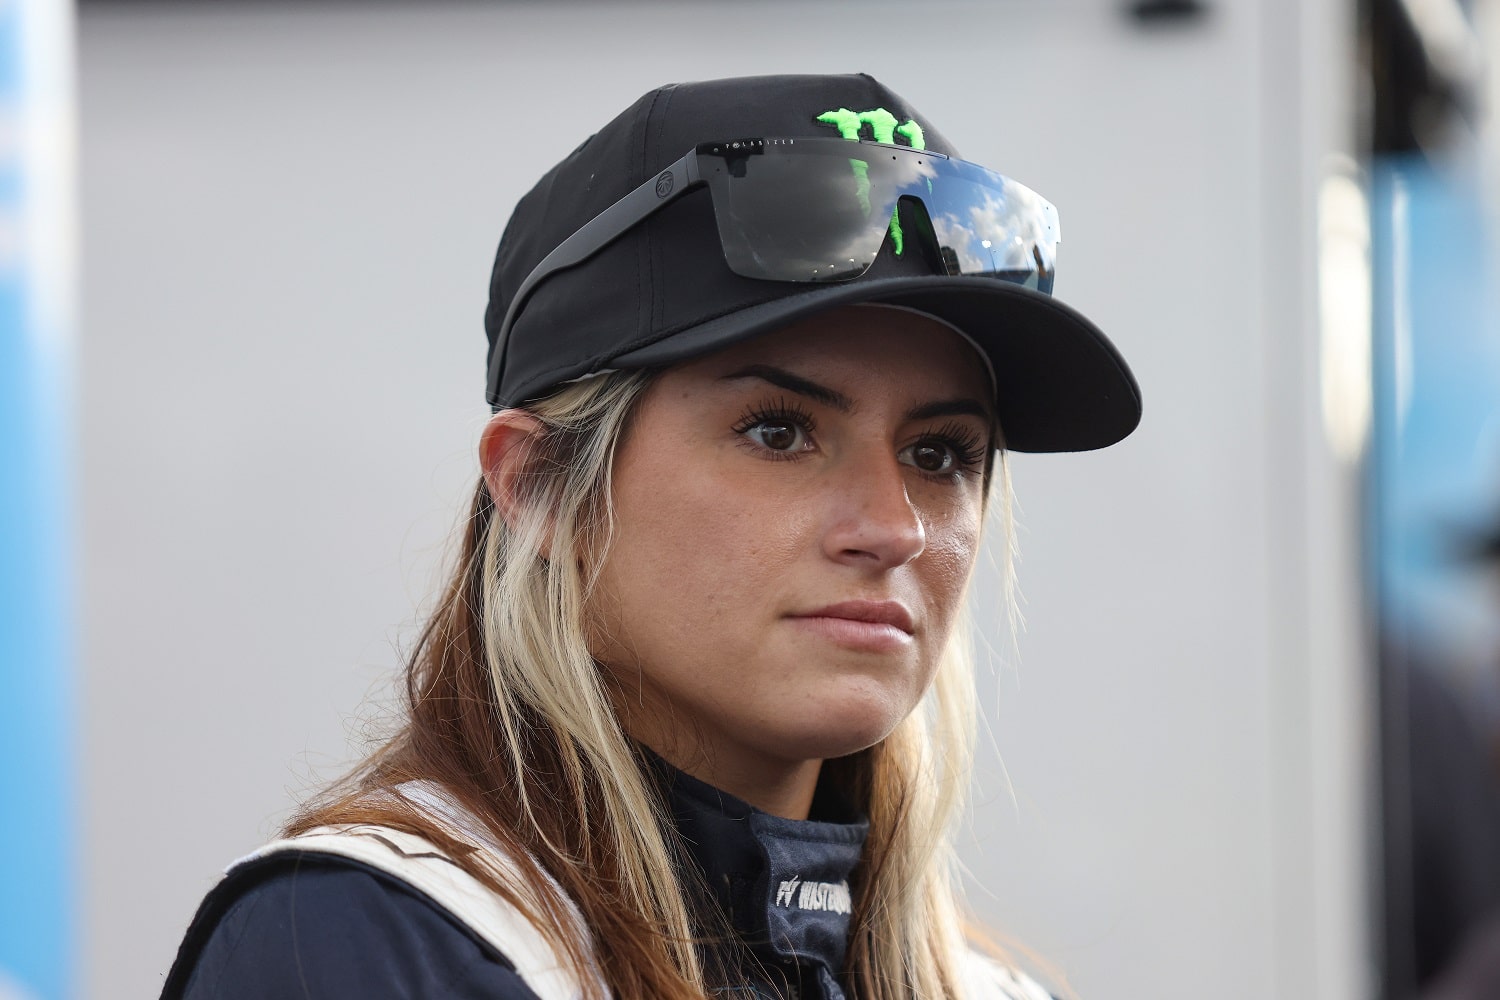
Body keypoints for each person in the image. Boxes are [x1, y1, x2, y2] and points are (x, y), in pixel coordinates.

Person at [160, 73, 1141, 1000]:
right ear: (543, 487)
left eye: (939, 452)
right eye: (778, 431)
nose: (892, 526)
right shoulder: (369, 944)